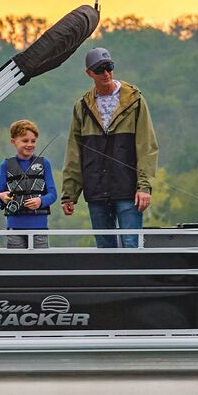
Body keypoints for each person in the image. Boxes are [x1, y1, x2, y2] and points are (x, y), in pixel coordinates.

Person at [59, 46, 159, 248]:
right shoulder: (82, 106)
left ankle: (131, 281)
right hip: (96, 190)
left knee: (132, 245)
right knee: (104, 249)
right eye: (99, 69)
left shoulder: (135, 101)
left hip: (128, 190)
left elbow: (146, 146)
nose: (105, 73)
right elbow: (74, 152)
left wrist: (144, 187)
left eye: (109, 67)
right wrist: (69, 193)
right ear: (89, 73)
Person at [0, 119, 56, 249]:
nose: (30, 144)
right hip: (14, 227)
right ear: (13, 142)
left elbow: (53, 194)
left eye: (33, 141)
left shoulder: (45, 164)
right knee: (17, 265)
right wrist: (2, 197)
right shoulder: (5, 165)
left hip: (39, 227)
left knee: (40, 265)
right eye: (25, 141)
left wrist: (41, 201)